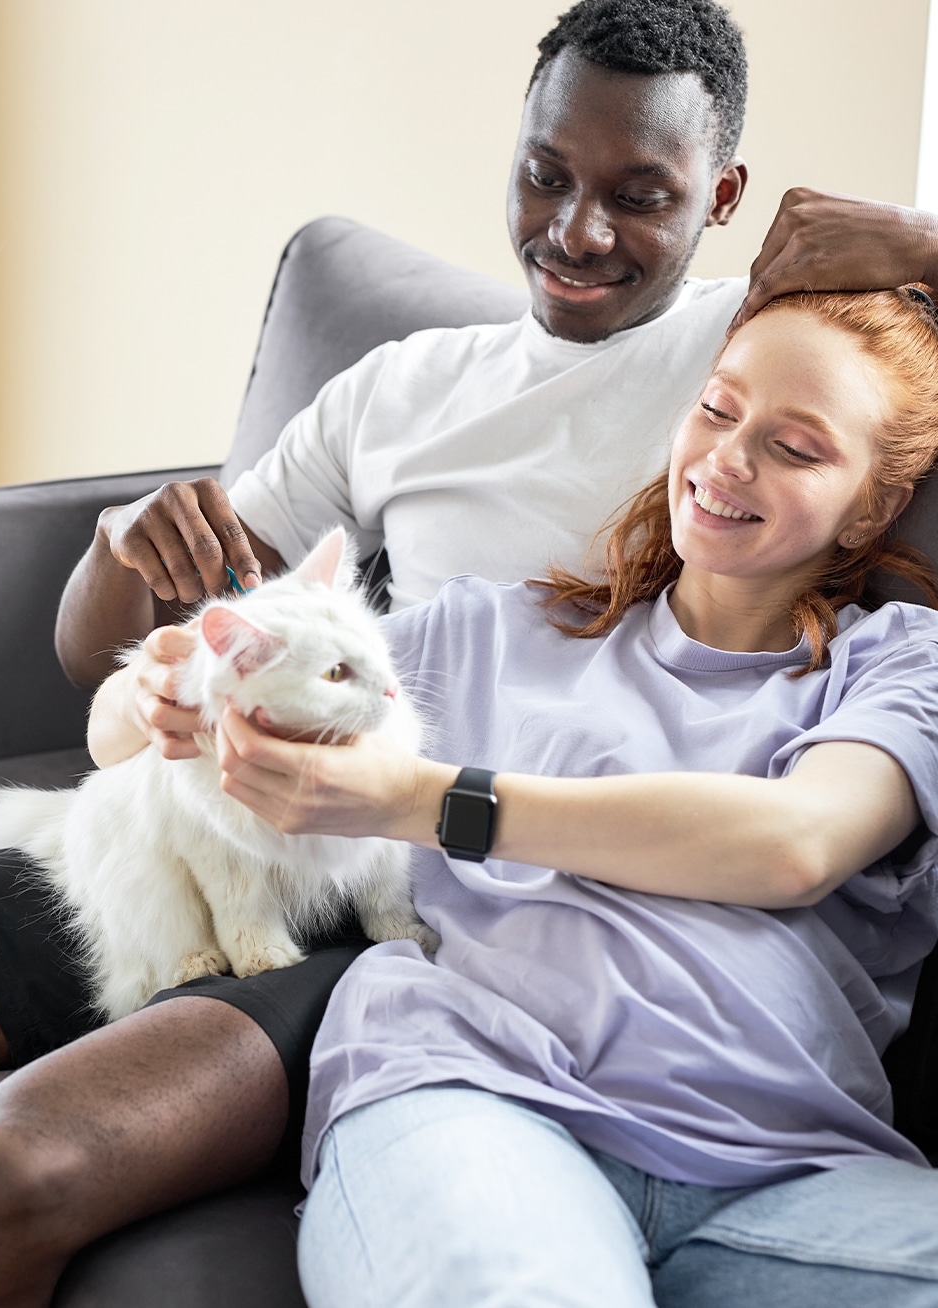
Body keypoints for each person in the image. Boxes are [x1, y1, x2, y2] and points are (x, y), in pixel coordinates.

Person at [0, 2, 938, 1304]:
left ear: (723, 197)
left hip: (413, 890)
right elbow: (119, 661)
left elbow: (793, 831)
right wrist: (127, 568)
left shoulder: (762, 347)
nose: (578, 231)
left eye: (640, 195)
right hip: (290, 803)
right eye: (547, 175)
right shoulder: (404, 396)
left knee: (16, 1169)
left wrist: (894, 236)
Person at [215, 284, 938, 1306]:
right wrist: (168, 691)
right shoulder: (493, 635)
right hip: (481, 1098)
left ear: (873, 503)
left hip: (792, 1169)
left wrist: (421, 798)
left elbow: (794, 845)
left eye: (798, 447)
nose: (729, 459)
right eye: (719, 410)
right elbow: (138, 721)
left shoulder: (903, 667)